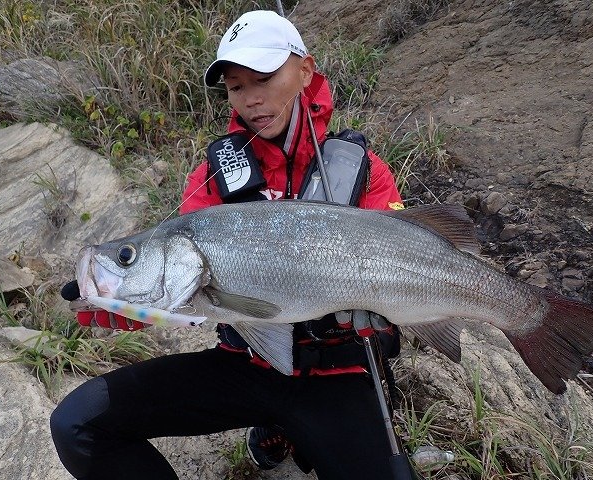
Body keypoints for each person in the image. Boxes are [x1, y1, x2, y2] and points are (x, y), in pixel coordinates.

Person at [50, 10, 406, 480]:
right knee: (77, 424)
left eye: (265, 78)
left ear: (305, 71)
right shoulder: (214, 176)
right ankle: (274, 422)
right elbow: (185, 294)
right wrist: (133, 304)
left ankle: (293, 429)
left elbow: (408, 258)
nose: (252, 99)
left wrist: (384, 315)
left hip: (338, 375)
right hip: (245, 366)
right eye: (237, 87)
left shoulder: (364, 170)